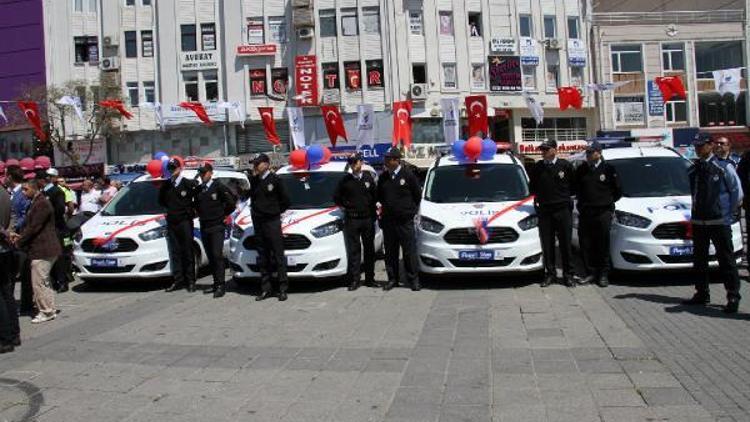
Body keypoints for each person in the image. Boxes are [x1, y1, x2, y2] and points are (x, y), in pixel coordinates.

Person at [683, 133, 743, 314]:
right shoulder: (694, 168)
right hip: (700, 221)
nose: (698, 148)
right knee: (699, 260)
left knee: (726, 260)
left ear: (710, 146)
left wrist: (729, 213)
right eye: (696, 146)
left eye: (702, 145)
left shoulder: (723, 167)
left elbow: (737, 192)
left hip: (719, 221)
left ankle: (733, 295)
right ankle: (702, 292)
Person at [528, 139, 576, 287]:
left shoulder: (565, 166)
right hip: (545, 211)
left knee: (565, 244)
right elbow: (532, 188)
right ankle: (550, 274)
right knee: (547, 244)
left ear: (555, 150)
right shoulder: (537, 167)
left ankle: (568, 275)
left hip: (562, 210)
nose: (543, 152)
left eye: (546, 149)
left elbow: (574, 186)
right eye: (542, 150)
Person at [13, 179, 61, 324]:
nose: (23, 192)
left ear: (34, 188)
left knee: (39, 282)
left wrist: (19, 241)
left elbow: (34, 227)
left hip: (44, 249)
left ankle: (46, 311)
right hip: (42, 248)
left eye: (25, 189)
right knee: (44, 281)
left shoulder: (41, 204)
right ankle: (49, 309)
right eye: (22, 189)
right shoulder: (36, 202)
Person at [574, 141, 622, 287]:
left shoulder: (608, 169)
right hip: (586, 213)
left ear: (598, 153)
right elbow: (577, 189)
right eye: (586, 152)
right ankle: (590, 273)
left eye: (590, 152)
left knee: (603, 244)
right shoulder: (581, 170)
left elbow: (618, 191)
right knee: (586, 244)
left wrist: (607, 204)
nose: (587, 155)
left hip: (603, 212)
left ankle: (603, 274)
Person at [377, 148, 422, 291]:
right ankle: (392, 279)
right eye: (385, 158)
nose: (386, 161)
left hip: (405, 222)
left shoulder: (408, 175)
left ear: (397, 160)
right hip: (389, 222)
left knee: (409, 252)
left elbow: (417, 195)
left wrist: (410, 212)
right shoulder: (383, 177)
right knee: (390, 253)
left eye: (389, 159)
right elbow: (379, 197)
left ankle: (413, 280)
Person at [250, 154, 291, 302]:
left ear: (266, 164)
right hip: (259, 223)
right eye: (255, 164)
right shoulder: (254, 181)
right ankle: (266, 288)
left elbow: (286, 201)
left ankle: (282, 288)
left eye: (258, 163)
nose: (256, 166)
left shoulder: (275, 180)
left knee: (278, 256)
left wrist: (274, 212)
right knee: (263, 257)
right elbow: (252, 199)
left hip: (272, 222)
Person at [334, 153, 377, 291]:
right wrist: (345, 206)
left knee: (369, 249)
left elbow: (375, 195)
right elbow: (336, 197)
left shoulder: (368, 178)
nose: (353, 165)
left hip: (367, 219)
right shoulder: (345, 180)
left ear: (361, 162)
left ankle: (370, 279)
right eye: (351, 163)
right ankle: (355, 280)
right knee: (354, 251)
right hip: (352, 219)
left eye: (355, 162)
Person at [195, 163, 236, 298]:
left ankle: (221, 285)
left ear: (210, 173)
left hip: (217, 225)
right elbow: (197, 206)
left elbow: (231, 202)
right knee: (211, 257)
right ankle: (215, 283)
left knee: (217, 255)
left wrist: (224, 215)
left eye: (204, 173)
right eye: (201, 173)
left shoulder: (218, 186)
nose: (202, 175)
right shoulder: (200, 189)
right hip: (205, 225)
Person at [158, 158, 198, 292]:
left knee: (187, 251)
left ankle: (190, 281)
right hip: (172, 222)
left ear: (179, 169)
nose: (171, 171)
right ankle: (178, 280)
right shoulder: (166, 186)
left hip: (185, 221)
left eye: (174, 168)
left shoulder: (187, 183)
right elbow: (161, 201)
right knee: (175, 252)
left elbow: (196, 199)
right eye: (169, 168)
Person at [6, 167, 32, 315]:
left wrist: (14, 228)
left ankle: (26, 306)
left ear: (10, 177)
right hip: (10, 240)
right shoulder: (10, 194)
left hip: (20, 238)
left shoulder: (21, 193)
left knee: (24, 273)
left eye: (5, 176)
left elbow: (24, 215)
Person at [41, 169, 70, 293]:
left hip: (57, 228)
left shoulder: (57, 191)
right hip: (47, 229)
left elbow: (59, 210)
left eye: (49, 176)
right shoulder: (43, 192)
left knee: (59, 255)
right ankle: (54, 280)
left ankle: (63, 281)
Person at [0, 183, 20, 352]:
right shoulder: (5, 193)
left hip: (2, 245)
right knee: (7, 293)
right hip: (6, 249)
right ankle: (14, 334)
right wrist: (10, 231)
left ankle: (5, 339)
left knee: (2, 295)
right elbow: (13, 215)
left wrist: (6, 233)